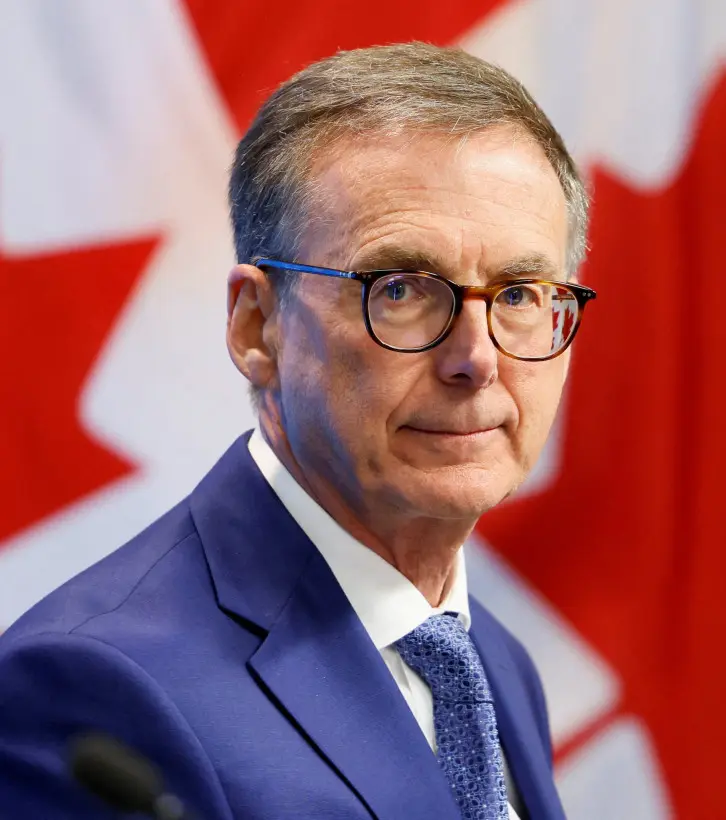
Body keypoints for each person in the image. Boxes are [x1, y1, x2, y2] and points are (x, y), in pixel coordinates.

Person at [0, 42, 595, 819]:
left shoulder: (492, 662)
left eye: (519, 293)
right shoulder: (96, 690)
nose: (476, 359)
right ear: (257, 326)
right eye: (403, 288)